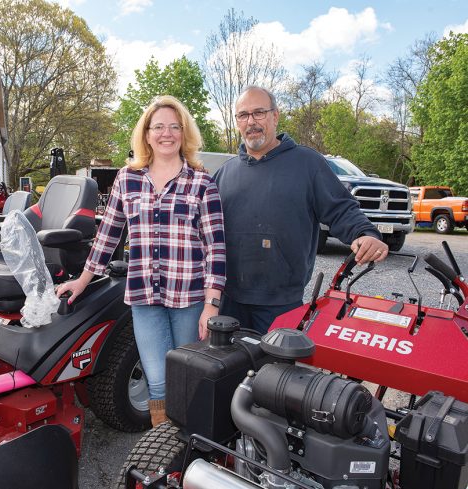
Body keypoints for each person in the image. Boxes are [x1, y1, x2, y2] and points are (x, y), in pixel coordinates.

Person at [56, 95, 226, 427]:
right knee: (158, 381)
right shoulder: (127, 179)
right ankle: (166, 451)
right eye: (158, 126)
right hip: (144, 299)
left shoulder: (202, 183)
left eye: (174, 126)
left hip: (189, 300)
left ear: (184, 133)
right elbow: (107, 236)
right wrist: (82, 281)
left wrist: (212, 305)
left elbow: (216, 249)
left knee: (188, 377)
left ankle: (192, 449)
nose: (167, 133)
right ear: (146, 134)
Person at [213, 85, 388, 335]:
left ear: (275, 116)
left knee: (275, 373)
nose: (251, 122)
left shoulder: (307, 163)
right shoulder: (225, 173)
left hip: (281, 303)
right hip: (229, 301)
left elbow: (340, 208)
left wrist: (365, 233)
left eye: (259, 113)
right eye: (243, 115)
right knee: (226, 371)